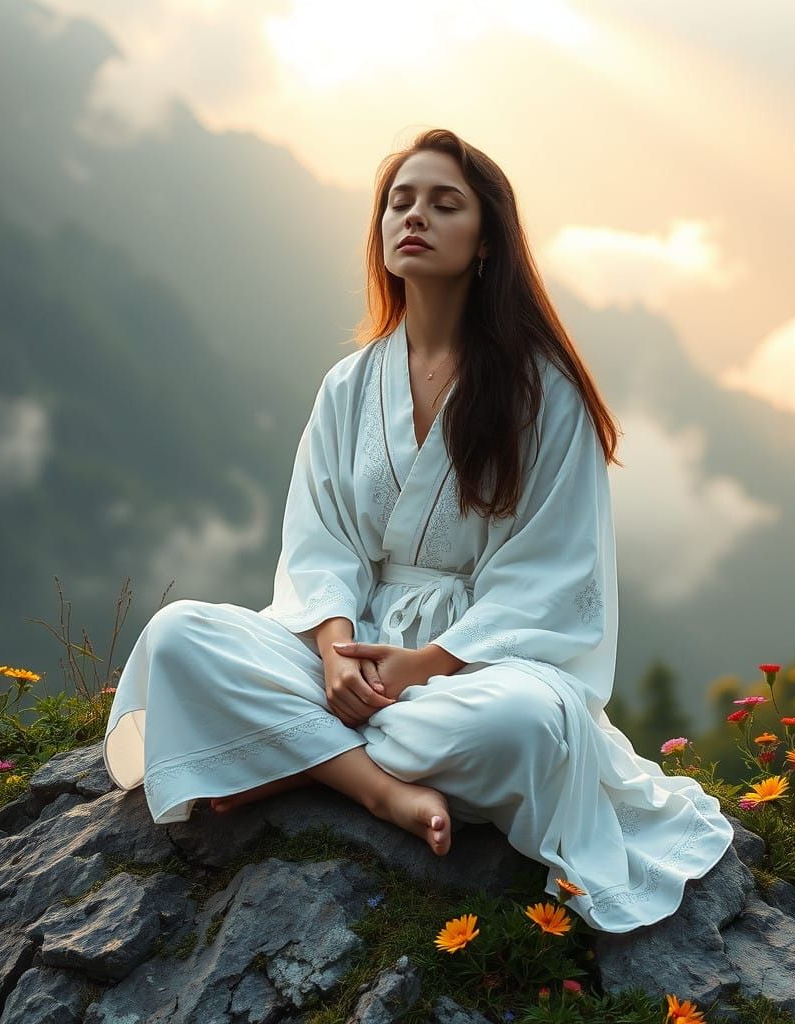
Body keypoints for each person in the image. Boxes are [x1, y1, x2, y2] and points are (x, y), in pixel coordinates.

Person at [103, 128, 734, 933]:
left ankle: (291, 757)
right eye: (400, 201)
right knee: (179, 636)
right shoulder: (348, 386)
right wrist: (335, 652)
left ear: (485, 239)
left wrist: (424, 666)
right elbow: (320, 542)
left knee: (527, 728)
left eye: (444, 203)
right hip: (348, 648)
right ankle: (379, 789)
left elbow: (553, 574)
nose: (416, 216)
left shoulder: (546, 393)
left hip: (482, 663)